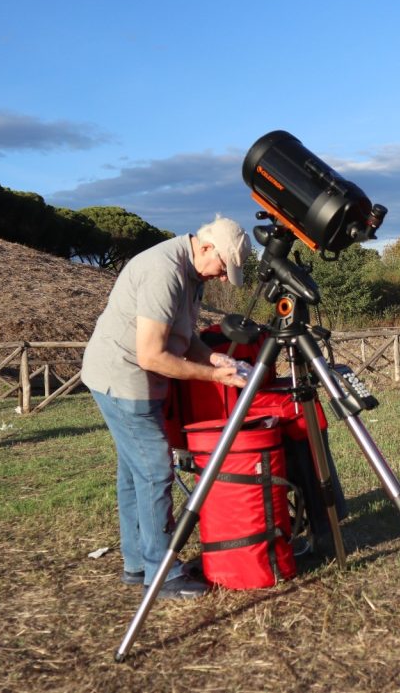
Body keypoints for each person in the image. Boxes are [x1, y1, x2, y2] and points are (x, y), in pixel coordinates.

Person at [81, 215, 251, 599]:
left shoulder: (191, 273)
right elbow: (151, 356)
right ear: (206, 247)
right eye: (224, 268)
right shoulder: (164, 271)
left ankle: (138, 563)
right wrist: (213, 378)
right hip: (123, 380)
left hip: (131, 378)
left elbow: (184, 336)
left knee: (134, 472)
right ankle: (163, 575)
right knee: (157, 471)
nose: (224, 278)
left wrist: (215, 360)